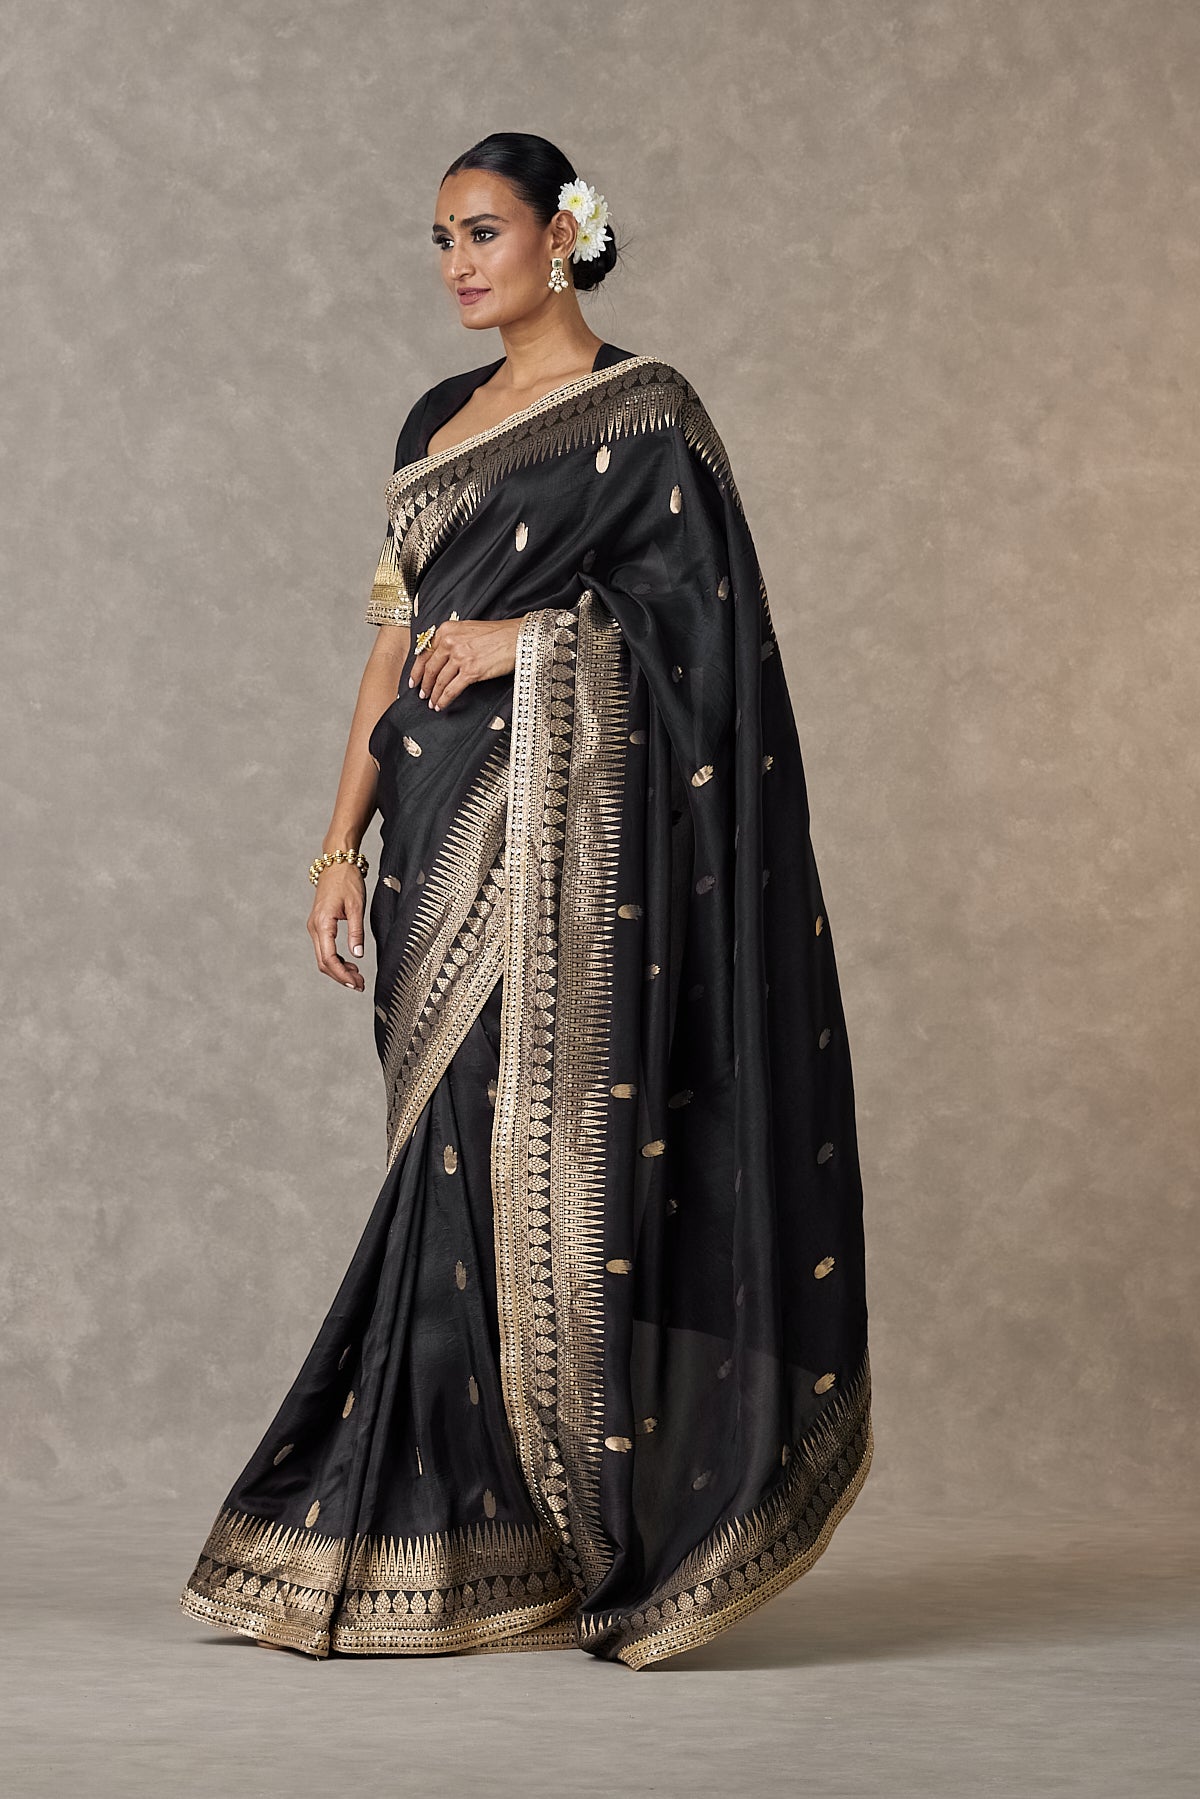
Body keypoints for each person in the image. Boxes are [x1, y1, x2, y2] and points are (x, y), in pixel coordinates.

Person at [179, 131, 872, 1671]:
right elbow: (387, 644)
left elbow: (710, 645)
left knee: (536, 1165)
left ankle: (548, 1518)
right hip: (433, 844)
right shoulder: (436, 422)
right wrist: (336, 848)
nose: (457, 264)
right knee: (445, 1156)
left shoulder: (649, 417)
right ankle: (475, 1526)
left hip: (571, 860)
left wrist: (533, 641)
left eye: (482, 231)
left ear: (564, 235)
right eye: (439, 239)